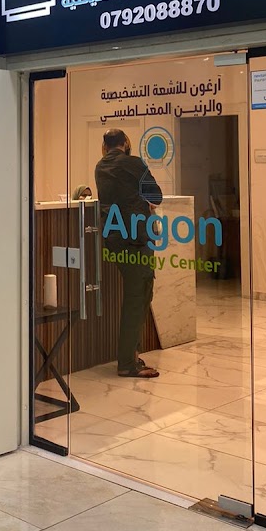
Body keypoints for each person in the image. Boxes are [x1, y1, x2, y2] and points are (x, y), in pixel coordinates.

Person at [95, 128, 162, 378]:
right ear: (125, 143)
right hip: (135, 239)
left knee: (139, 294)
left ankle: (132, 354)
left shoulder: (100, 167)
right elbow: (156, 196)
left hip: (114, 239)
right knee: (138, 296)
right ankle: (127, 363)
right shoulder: (133, 163)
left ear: (105, 146)